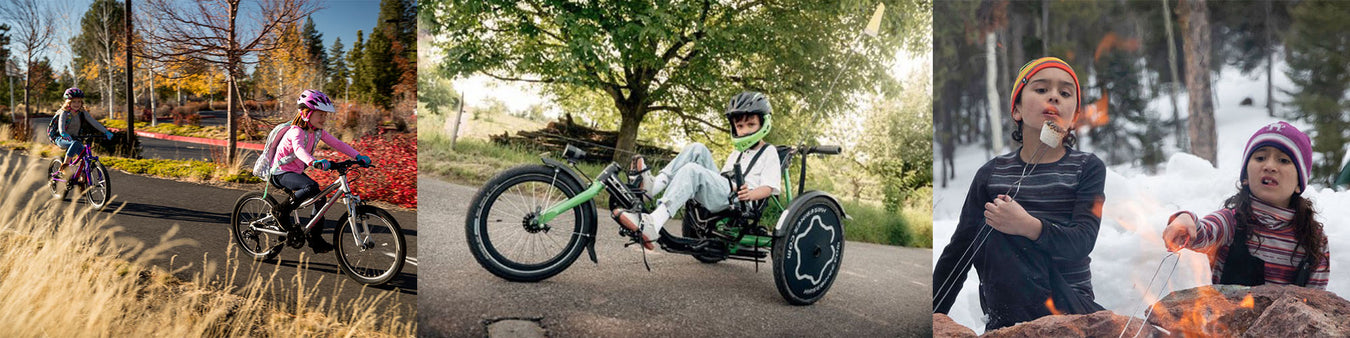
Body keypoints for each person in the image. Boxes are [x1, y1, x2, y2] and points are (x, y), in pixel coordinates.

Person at [932, 57, 1107, 330]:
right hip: (1010, 311)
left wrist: (1029, 227)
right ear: (1016, 110)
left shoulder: (1086, 168)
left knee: (1004, 229)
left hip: (1069, 308)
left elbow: (1082, 241)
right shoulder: (991, 174)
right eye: (1041, 90)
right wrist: (933, 316)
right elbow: (959, 252)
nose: (1054, 97)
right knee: (991, 230)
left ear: (1073, 117)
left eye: (1064, 93)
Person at [1162, 121, 1330, 289]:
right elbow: (1204, 233)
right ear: (1245, 177)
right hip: (1228, 314)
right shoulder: (1231, 221)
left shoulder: (1314, 239)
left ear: (1299, 184)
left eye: (1284, 160)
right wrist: (1185, 221)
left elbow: (1317, 301)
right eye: (1260, 158)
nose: (1270, 166)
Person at [613, 91, 782, 250]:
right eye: (740, 126)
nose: (745, 130)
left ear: (763, 123)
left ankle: (654, 223)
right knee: (697, 148)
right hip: (726, 189)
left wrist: (750, 194)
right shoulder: (737, 152)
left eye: (751, 124)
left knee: (692, 170)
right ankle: (652, 187)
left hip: (741, 200)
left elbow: (769, 187)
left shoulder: (769, 151)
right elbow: (722, 178)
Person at [269, 89, 370, 253]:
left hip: (295, 172)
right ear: (306, 113)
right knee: (311, 187)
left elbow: (338, 144)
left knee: (320, 197)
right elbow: (299, 149)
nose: (324, 118)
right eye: (320, 115)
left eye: (325, 115)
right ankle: (280, 211)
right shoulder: (296, 131)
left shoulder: (317, 132)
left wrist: (358, 156)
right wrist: (313, 162)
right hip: (280, 172)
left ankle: (314, 238)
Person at [51, 88, 113, 180]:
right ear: (68, 102)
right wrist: (63, 133)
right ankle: (65, 167)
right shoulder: (64, 112)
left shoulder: (82, 112)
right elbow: (61, 125)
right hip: (61, 138)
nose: (77, 104)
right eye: (74, 102)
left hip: (75, 138)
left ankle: (82, 179)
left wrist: (106, 131)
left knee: (86, 157)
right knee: (75, 143)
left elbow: (94, 122)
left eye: (79, 102)